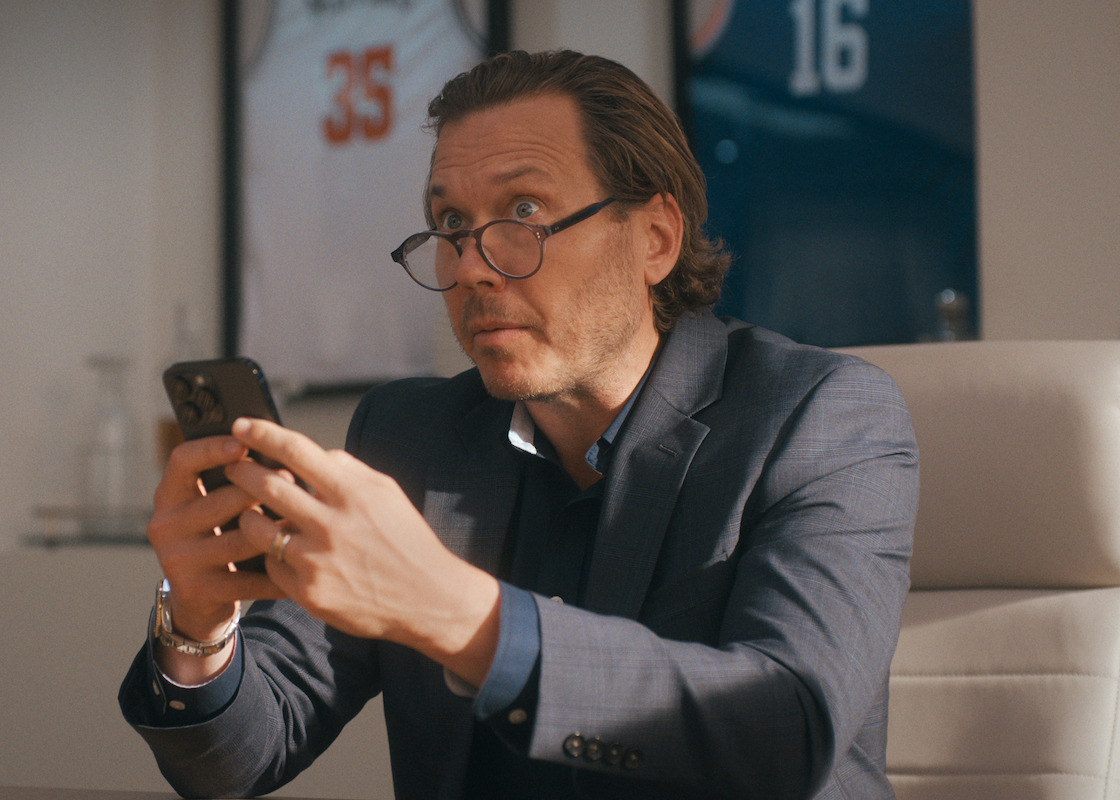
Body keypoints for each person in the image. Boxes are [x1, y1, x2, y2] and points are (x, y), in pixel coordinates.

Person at [119, 49, 918, 800]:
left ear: (656, 238)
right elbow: (243, 754)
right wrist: (197, 628)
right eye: (451, 224)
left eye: (523, 211)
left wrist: (452, 612)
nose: (469, 264)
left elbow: (789, 726)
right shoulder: (407, 435)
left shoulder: (822, 416)